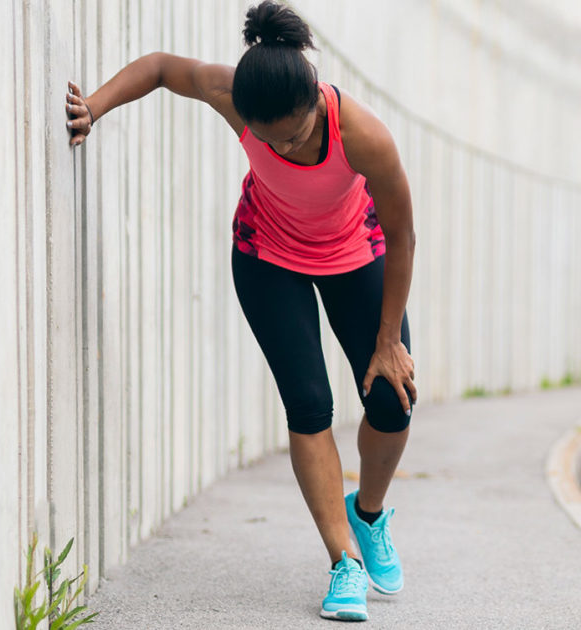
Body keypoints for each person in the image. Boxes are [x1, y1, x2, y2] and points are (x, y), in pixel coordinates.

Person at [65, 1, 416, 622]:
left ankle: (368, 514)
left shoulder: (363, 135)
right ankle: (343, 564)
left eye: (298, 134)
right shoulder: (232, 93)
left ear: (316, 103)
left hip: (355, 253)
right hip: (267, 255)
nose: (286, 144)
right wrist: (95, 105)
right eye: (273, 137)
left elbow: (404, 233)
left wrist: (389, 338)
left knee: (391, 401)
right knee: (309, 405)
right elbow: (160, 68)